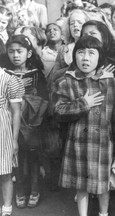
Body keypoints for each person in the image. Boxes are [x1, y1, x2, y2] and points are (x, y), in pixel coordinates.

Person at [54, 35, 115, 216]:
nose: (85, 58)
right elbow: (58, 111)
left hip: (102, 143)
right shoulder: (66, 82)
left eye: (91, 53)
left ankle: (103, 213)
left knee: (103, 185)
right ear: (74, 56)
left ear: (99, 57)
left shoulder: (111, 83)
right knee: (81, 185)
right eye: (81, 53)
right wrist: (83, 103)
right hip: (77, 144)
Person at [3, 34, 48, 209]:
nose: (15, 55)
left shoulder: (36, 74)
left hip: (32, 123)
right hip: (11, 122)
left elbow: (44, 98)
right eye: (11, 51)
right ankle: (20, 190)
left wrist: (30, 103)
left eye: (19, 51)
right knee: (17, 158)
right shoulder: (4, 73)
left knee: (34, 156)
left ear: (28, 53)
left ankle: (35, 190)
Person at [0, 43, 24, 216]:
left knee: (5, 171)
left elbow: (16, 112)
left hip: (3, 130)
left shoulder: (7, 79)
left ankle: (6, 207)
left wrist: (15, 139)